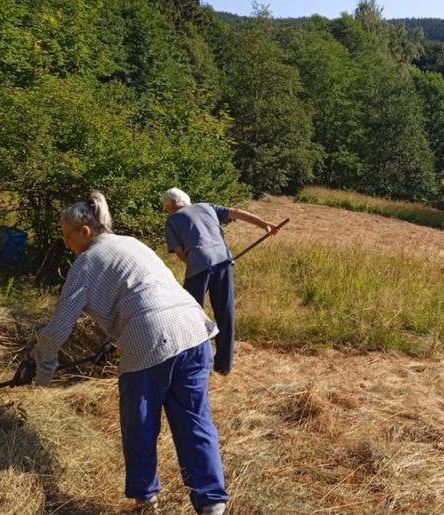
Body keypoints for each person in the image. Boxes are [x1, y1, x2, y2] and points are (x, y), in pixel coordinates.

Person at [28, 192, 229, 515]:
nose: (67, 245)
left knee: (141, 425)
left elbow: (59, 325)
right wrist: (114, 338)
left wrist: (42, 367)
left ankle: (146, 500)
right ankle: (212, 504)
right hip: (194, 331)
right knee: (195, 420)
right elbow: (142, 290)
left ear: (85, 232)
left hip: (151, 338)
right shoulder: (131, 243)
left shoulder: (87, 261)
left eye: (67, 237)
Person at [162, 188, 278, 375]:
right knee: (225, 312)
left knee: (190, 313)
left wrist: (196, 261)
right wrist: (264, 224)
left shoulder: (172, 220)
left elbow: (180, 253)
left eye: (166, 208)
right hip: (224, 260)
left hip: (199, 264)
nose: (167, 211)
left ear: (172, 205)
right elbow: (237, 213)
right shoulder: (207, 207)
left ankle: (194, 361)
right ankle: (223, 366)